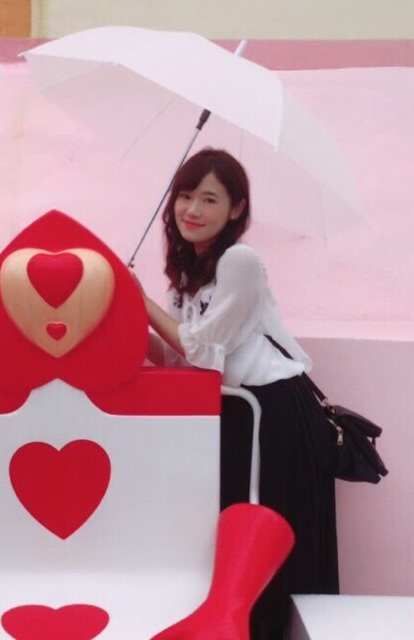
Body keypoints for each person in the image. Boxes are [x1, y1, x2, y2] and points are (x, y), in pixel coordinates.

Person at [135, 147, 339, 640]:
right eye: (185, 196)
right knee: (229, 530)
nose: (192, 210)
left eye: (209, 200)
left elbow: (203, 350)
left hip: (273, 413)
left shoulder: (240, 261)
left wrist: (141, 304)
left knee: (260, 530)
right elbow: (177, 359)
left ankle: (266, 631)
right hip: (234, 412)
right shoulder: (188, 271)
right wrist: (121, 309)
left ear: (236, 209)